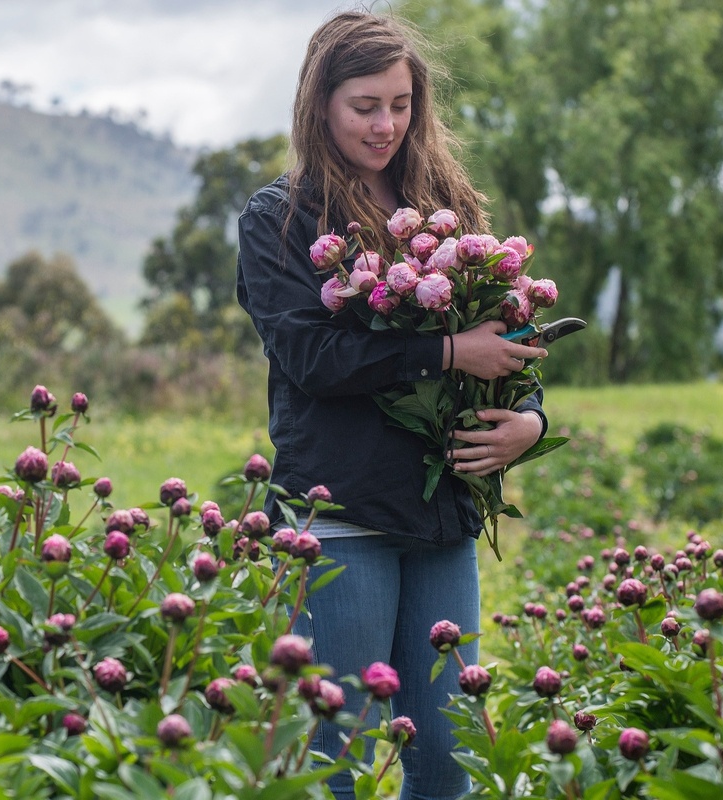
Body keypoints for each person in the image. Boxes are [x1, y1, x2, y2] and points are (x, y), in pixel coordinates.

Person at [235, 11, 550, 800]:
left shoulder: (446, 207)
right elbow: (311, 358)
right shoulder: (280, 218)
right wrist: (445, 351)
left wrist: (529, 423)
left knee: (449, 761)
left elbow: (510, 338)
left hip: (441, 512)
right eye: (365, 106)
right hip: (338, 517)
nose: (386, 125)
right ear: (321, 106)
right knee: (332, 762)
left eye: (401, 104)